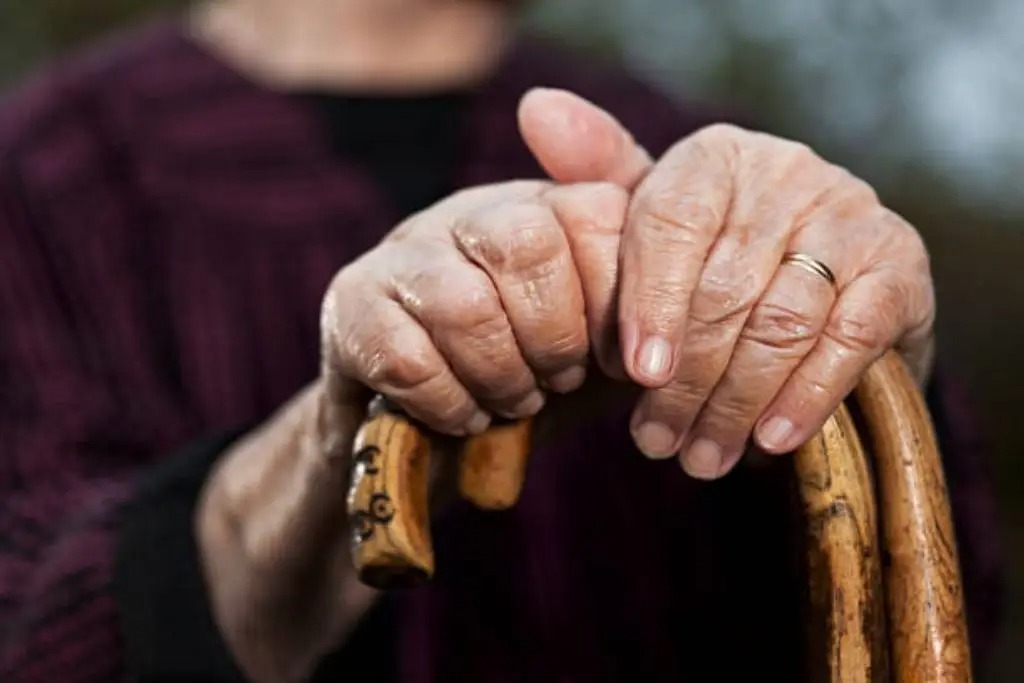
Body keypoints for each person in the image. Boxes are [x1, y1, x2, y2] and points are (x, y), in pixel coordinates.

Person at [0, 0, 1003, 681]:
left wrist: (848, 362)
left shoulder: (684, 142)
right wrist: (320, 462)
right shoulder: (48, 183)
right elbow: (34, 619)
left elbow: (955, 613)